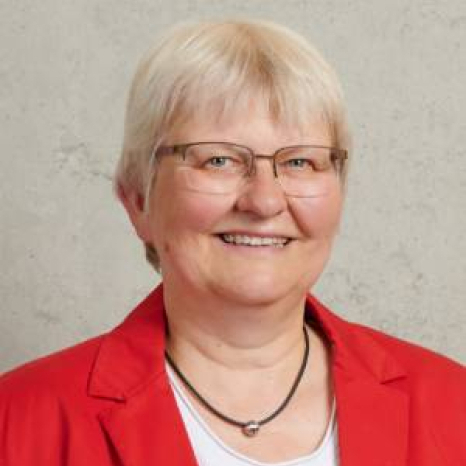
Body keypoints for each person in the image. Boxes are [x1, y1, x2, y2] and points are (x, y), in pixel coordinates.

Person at [0, 19, 465, 466]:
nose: (264, 201)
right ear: (138, 199)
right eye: (218, 160)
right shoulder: (17, 423)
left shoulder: (452, 405)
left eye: (301, 162)